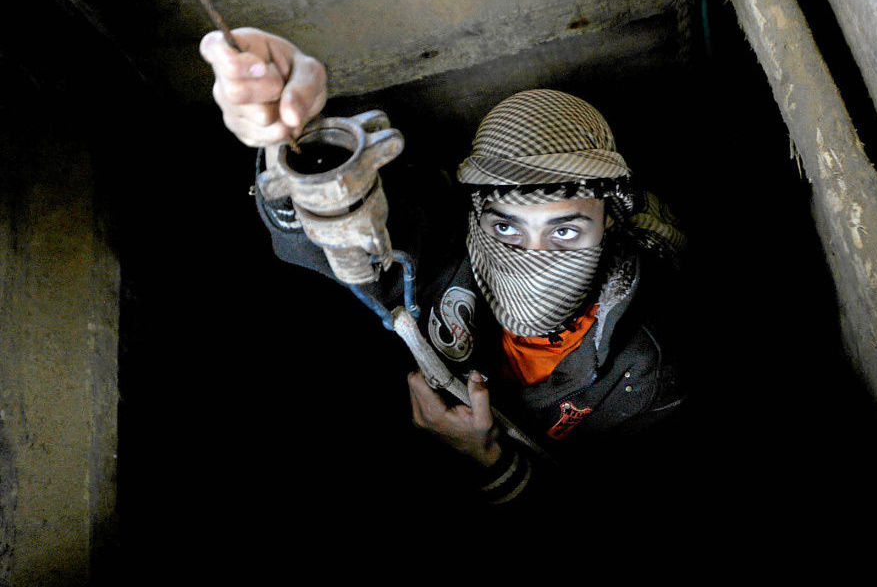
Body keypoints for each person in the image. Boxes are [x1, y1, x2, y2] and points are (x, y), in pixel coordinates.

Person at [200, 27, 690, 508]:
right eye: (507, 230)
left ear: (609, 226)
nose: (534, 259)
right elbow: (342, 230)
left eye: (564, 232)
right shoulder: (440, 250)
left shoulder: (645, 371)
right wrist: (292, 137)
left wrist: (489, 465)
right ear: (476, 215)